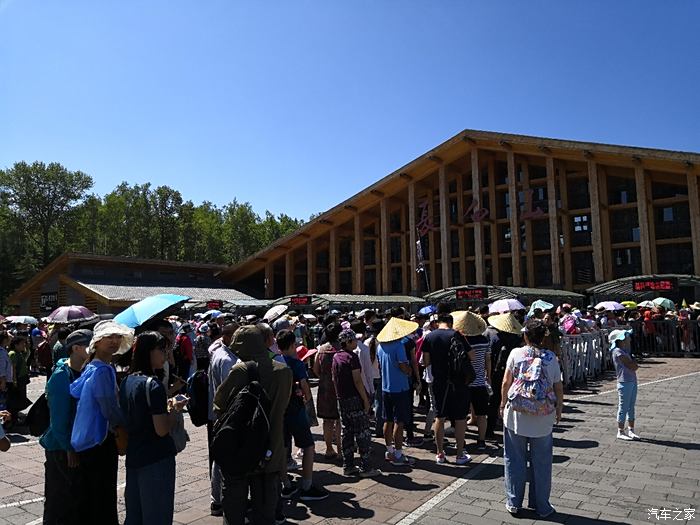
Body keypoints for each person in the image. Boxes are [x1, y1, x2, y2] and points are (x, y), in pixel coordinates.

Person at [213, 325, 293, 525]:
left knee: (234, 508)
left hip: (240, 448)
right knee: (266, 510)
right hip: (270, 448)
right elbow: (283, 407)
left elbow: (219, 404)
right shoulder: (284, 372)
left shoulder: (241, 370)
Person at [120, 331, 187, 525]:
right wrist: (175, 409)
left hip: (134, 456)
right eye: (161, 349)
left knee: (135, 515)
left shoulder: (127, 381)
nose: (166, 354)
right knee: (157, 515)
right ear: (147, 351)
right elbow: (161, 430)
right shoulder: (154, 385)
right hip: (156, 459)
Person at [70, 320, 133, 525]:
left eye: (117, 337)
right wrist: (124, 424)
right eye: (109, 337)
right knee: (103, 495)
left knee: (90, 495)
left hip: (85, 439)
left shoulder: (90, 367)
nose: (114, 341)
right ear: (97, 342)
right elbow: (109, 408)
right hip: (101, 439)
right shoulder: (103, 370)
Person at [500, 318, 563, 518]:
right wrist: (559, 409)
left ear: (525, 335)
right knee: (542, 462)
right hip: (543, 416)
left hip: (517, 414)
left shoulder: (516, 354)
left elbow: (505, 383)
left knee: (514, 459)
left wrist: (502, 404)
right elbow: (558, 386)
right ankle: (541, 505)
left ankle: (514, 502)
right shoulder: (551, 358)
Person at [41, 328, 92, 525]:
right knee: (59, 500)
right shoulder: (62, 375)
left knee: (75, 498)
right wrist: (68, 447)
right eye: (89, 344)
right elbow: (58, 418)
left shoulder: (86, 370)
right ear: (76, 348)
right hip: (60, 446)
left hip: (77, 442)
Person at [277, 329, 328, 500]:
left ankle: (285, 484)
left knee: (283, 447)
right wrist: (306, 399)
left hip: (280, 409)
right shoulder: (296, 363)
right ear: (292, 345)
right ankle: (307, 485)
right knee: (308, 445)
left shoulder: (276, 360)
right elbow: (305, 386)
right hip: (295, 408)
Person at [421, 310, 473, 465]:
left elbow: (426, 361)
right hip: (458, 382)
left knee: (440, 416)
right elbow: (472, 356)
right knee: (460, 418)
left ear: (438, 322)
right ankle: (459, 455)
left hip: (439, 382)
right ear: (451, 323)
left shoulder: (429, 336)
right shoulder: (458, 335)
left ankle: (440, 453)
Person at [332, 328, 379, 477]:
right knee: (362, 432)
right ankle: (366, 467)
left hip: (342, 399)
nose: (356, 343)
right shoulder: (351, 357)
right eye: (354, 340)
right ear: (349, 342)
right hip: (354, 399)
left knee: (347, 432)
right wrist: (365, 400)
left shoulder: (336, 357)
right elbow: (358, 380)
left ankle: (349, 465)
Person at [207, 322, 239, 516]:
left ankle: (217, 499)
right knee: (222, 458)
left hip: (217, 413)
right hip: (224, 414)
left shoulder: (219, 353)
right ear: (227, 337)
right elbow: (230, 392)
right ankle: (220, 500)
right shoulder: (227, 360)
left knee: (219, 457)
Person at [377, 317, 417, 466]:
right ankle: (398, 454)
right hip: (400, 388)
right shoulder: (399, 346)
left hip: (386, 387)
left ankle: (389, 450)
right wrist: (409, 371)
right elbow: (403, 366)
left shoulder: (380, 346)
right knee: (399, 422)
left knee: (387, 419)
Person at [453, 311, 491, 452]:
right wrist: (489, 377)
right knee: (482, 414)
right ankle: (481, 441)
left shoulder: (461, 341)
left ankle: (461, 442)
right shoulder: (484, 340)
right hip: (480, 381)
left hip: (464, 382)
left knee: (461, 415)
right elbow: (488, 360)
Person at [485, 313, 524, 438]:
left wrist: (489, 374)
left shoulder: (496, 338)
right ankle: (512, 428)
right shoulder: (518, 339)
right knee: (513, 400)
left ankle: (489, 430)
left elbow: (490, 356)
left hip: (498, 373)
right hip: (515, 373)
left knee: (494, 401)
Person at [312, 323, 342, 459]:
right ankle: (341, 450)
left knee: (327, 421)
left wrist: (324, 378)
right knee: (340, 421)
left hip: (325, 389)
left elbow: (315, 369)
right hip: (340, 388)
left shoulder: (321, 350)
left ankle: (329, 449)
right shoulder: (342, 349)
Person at [610, 329, 640, 440]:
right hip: (624, 381)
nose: (629, 339)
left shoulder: (624, 351)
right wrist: (634, 364)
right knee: (623, 407)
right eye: (627, 337)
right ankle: (621, 431)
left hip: (631, 379)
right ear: (621, 339)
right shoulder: (618, 351)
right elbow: (632, 365)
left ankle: (631, 430)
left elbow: (633, 365)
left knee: (631, 406)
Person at [7, 335, 31, 424]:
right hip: (17, 380)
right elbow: (12, 368)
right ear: (16, 345)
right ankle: (13, 419)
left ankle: (15, 417)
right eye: (22, 344)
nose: (23, 345)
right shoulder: (13, 353)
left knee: (20, 398)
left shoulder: (19, 353)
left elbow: (26, 356)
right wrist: (14, 381)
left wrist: (27, 347)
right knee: (16, 400)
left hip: (22, 379)